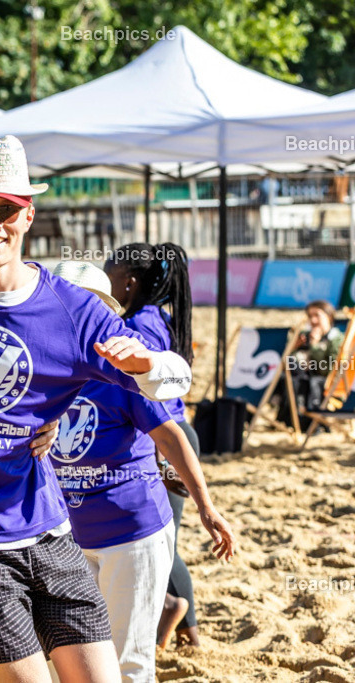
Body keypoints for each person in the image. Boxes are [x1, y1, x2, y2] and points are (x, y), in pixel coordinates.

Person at [0, 135, 193, 683]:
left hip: (54, 532)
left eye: (6, 209)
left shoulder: (76, 309)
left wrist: (146, 365)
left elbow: (176, 377)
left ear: (28, 214)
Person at [49, 261, 235, 683]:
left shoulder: (123, 374)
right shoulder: (42, 370)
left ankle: (176, 608)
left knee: (128, 665)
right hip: (66, 536)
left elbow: (172, 437)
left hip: (129, 531)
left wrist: (206, 506)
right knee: (69, 663)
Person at [104, 242, 202, 648]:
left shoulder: (140, 325)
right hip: (166, 430)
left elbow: (150, 398)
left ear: (128, 282)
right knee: (164, 538)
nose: (104, 282)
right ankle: (185, 627)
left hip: (162, 435)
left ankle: (176, 613)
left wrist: (160, 458)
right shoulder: (151, 316)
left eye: (109, 274)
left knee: (162, 540)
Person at [277, 300, 344, 424]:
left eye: (317, 315)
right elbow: (282, 362)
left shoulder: (337, 339)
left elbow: (328, 370)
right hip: (296, 378)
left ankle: (299, 421)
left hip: (321, 382)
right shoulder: (303, 336)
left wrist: (314, 345)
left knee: (296, 377)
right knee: (286, 373)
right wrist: (292, 348)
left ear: (329, 316)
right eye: (310, 316)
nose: (313, 320)